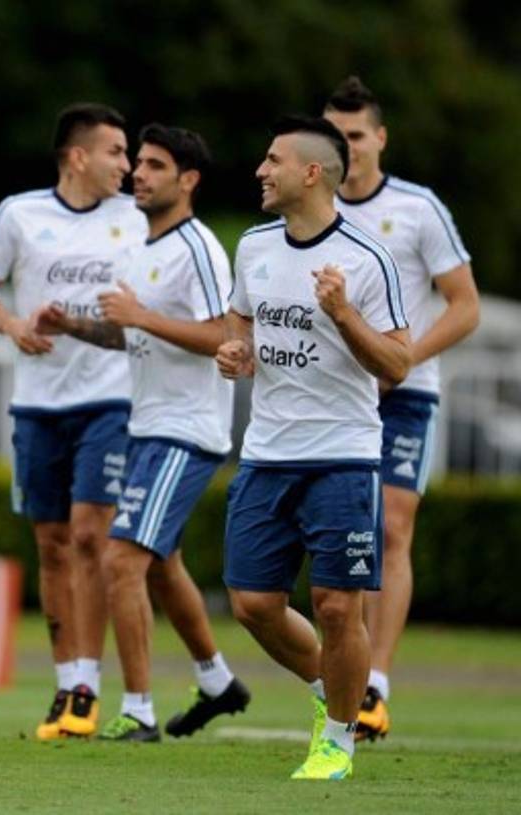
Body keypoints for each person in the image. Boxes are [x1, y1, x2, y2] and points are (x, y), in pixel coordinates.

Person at [34, 124, 250, 741]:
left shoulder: (199, 247)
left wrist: (141, 316)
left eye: (155, 165)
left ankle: (139, 711)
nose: (139, 173)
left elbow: (225, 336)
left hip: (188, 430)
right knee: (160, 564)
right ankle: (217, 682)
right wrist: (73, 326)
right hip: (148, 427)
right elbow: (133, 333)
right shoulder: (142, 245)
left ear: (189, 180)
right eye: (140, 163)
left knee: (121, 559)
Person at [217, 115, 410, 780]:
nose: (260, 171)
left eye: (272, 160)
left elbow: (398, 364)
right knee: (252, 604)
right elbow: (241, 318)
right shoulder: (253, 247)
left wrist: (344, 313)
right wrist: (236, 349)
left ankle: (337, 740)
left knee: (335, 604)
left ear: (311, 172)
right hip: (266, 454)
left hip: (343, 456)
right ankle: (336, 690)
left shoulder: (366, 257)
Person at [0, 103, 146, 739]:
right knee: (51, 543)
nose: (127, 165)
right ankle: (66, 680)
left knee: (90, 536)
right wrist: (14, 326)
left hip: (110, 400)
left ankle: (88, 688)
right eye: (115, 152)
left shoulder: (135, 218)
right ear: (78, 157)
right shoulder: (20, 214)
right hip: (38, 404)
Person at [322, 76, 478, 742]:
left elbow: (465, 305)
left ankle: (376, 685)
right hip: (337, 395)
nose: (347, 147)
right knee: (343, 534)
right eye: (335, 136)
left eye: (356, 135)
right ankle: (345, 676)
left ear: (380, 138)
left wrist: (403, 359)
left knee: (391, 525)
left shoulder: (418, 209)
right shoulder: (314, 210)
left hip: (405, 391)